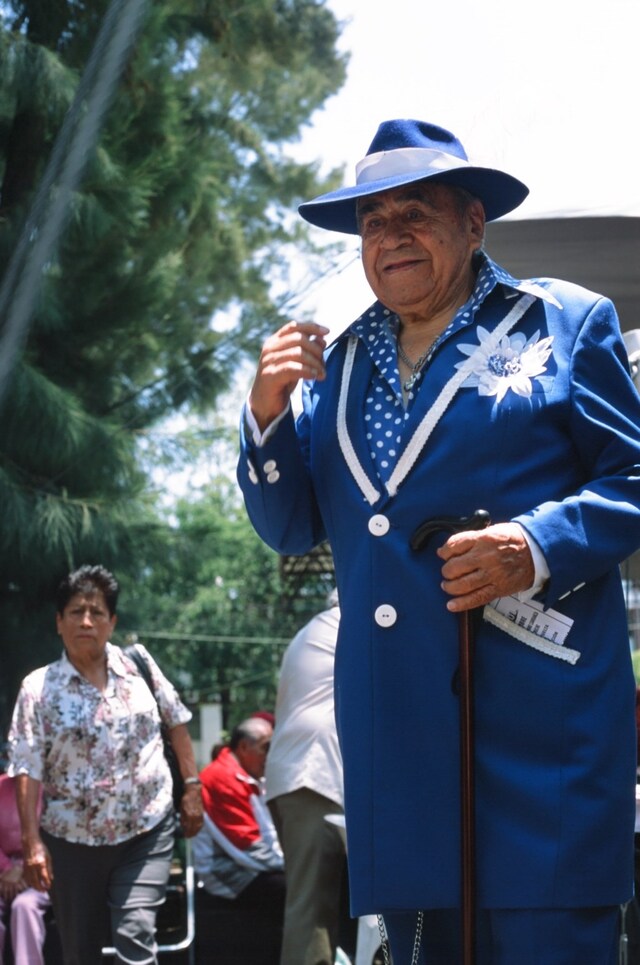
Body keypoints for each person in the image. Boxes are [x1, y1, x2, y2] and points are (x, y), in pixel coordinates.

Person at [237, 118, 640, 964]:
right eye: (375, 222)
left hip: (541, 743)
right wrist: (267, 415)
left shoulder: (564, 323)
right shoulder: (337, 367)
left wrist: (532, 546)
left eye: (415, 211)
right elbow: (290, 525)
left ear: (473, 224)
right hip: (401, 749)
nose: (393, 235)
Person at [7, 564, 203, 965]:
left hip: (145, 830)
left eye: (97, 612)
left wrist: (193, 788)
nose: (86, 620)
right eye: (76, 611)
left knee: (135, 934)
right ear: (59, 622)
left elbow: (177, 722)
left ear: (111, 622)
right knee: (81, 951)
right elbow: (26, 766)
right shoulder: (38, 688)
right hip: (71, 841)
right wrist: (32, 843)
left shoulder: (139, 667)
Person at [265, 591, 346, 965]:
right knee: (312, 914)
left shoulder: (316, 628)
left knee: (319, 908)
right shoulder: (350, 625)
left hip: (302, 777)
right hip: (315, 776)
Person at [193, 717, 285, 964]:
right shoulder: (223, 778)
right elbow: (248, 849)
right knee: (295, 890)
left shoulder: (242, 775)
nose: (271, 754)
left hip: (246, 864)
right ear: (244, 747)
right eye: (266, 747)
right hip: (225, 871)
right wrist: (296, 867)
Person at [0, 773, 50, 965]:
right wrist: (7, 868)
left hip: (43, 872)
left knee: (24, 906)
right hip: (4, 874)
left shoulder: (51, 790)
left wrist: (24, 870)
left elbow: (53, 836)